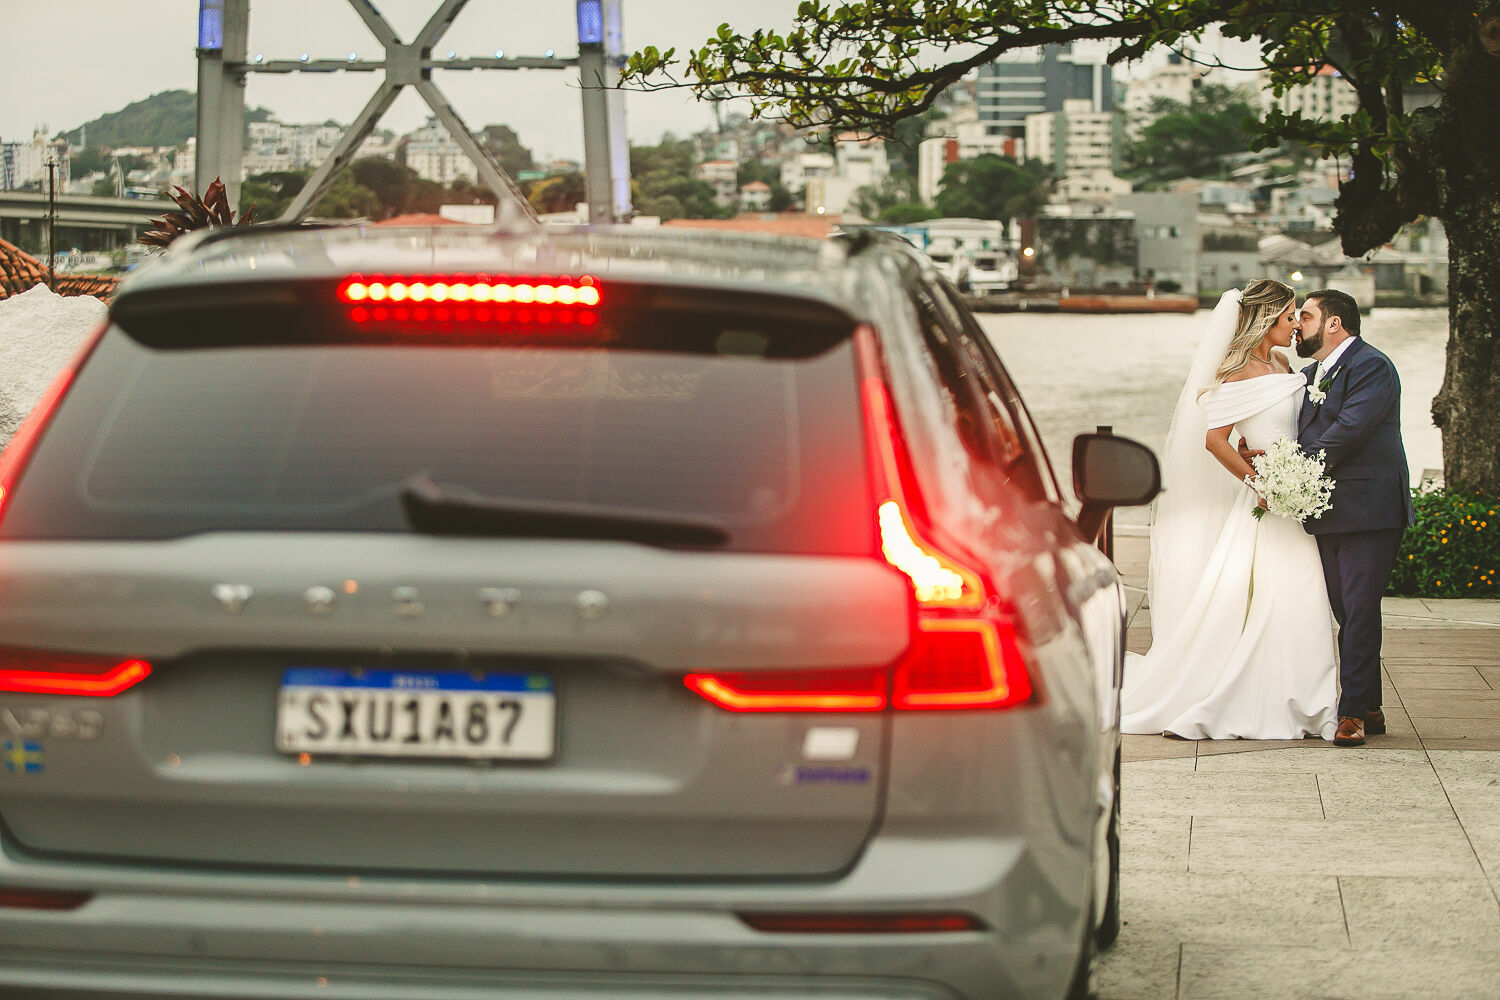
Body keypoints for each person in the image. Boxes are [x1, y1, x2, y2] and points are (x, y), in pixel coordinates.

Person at [1121, 280, 1338, 741]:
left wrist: (1288, 476)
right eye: (1290, 317)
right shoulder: (1235, 373)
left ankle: (1306, 698)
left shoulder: (1283, 363)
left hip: (1294, 495)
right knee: (1267, 593)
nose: (1296, 325)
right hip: (1265, 501)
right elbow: (1215, 441)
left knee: (1302, 597)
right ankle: (1252, 694)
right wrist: (1259, 482)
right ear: (1267, 319)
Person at [1285, 289, 1414, 747]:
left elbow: (1349, 430)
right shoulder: (1307, 375)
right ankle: (1372, 705)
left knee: (1358, 609)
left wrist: (1292, 469)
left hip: (1369, 509)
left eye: (1305, 316)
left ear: (1334, 323)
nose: (1296, 325)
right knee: (1347, 610)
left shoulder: (1372, 366)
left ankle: (1352, 711)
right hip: (1326, 508)